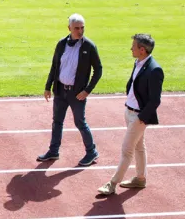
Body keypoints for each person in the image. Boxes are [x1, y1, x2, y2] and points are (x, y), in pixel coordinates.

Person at [97, 34, 163, 196]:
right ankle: (140, 179)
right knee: (139, 146)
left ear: (142, 50)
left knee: (127, 151)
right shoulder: (139, 62)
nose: (130, 48)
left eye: (133, 46)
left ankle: (112, 184)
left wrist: (141, 118)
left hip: (139, 116)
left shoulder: (155, 70)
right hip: (130, 111)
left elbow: (155, 100)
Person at [37, 14, 102, 167]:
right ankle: (53, 151)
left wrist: (87, 90)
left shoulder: (89, 46)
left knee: (80, 122)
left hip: (77, 93)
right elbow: (54, 66)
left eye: (82, 28)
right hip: (60, 91)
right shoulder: (61, 44)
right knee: (57, 122)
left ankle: (91, 151)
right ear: (69, 28)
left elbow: (98, 70)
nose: (80, 31)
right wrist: (48, 87)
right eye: (77, 28)